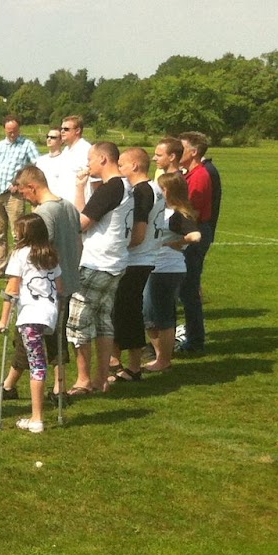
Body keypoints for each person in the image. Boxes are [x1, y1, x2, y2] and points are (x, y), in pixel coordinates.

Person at [0, 164, 82, 403]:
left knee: (27, 337)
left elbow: (35, 254)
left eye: (24, 192)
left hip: (42, 290)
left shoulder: (44, 214)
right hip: (65, 283)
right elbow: (78, 242)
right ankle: (58, 390)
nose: (23, 197)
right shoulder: (68, 206)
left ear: (33, 187)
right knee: (55, 338)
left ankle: (10, 387)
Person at [67, 141, 132, 396]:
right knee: (103, 321)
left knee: (78, 322)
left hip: (97, 262)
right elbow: (87, 214)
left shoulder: (111, 188)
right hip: (115, 261)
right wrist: (81, 187)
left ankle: (83, 381)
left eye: (91, 159)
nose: (88, 164)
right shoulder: (124, 186)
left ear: (104, 159)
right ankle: (102, 379)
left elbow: (80, 223)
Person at [0, 214, 63, 433]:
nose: (15, 234)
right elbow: (59, 289)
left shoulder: (20, 254)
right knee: (39, 362)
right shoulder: (51, 255)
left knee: (37, 365)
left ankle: (36, 419)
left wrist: (3, 321)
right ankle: (37, 416)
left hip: (30, 317)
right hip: (49, 315)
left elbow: (11, 290)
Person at [142, 172, 200, 373]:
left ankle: (164, 359)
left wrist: (176, 242)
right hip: (155, 268)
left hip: (167, 270)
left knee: (161, 316)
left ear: (168, 191)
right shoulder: (161, 211)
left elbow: (195, 235)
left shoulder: (177, 214)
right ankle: (160, 356)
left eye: (160, 189)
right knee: (149, 315)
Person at [111, 146, 159, 381]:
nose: (119, 169)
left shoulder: (141, 192)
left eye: (122, 165)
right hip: (146, 257)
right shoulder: (155, 188)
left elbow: (138, 234)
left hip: (137, 259)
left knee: (127, 312)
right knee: (124, 311)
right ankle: (118, 362)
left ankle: (132, 367)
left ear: (135, 166)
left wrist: (116, 245)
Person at [177, 130, 221, 356]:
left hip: (195, 233)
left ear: (193, 152)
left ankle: (195, 340)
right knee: (185, 288)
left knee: (189, 288)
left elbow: (190, 208)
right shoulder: (191, 173)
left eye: (181, 148)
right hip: (195, 231)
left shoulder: (200, 175)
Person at [0, 118, 41, 278]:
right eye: (9, 130)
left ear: (19, 129)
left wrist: (20, 184)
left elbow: (36, 165)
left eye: (14, 130)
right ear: (4, 129)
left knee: (17, 233)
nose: (12, 133)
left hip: (15, 195)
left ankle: (16, 271)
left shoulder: (27, 145)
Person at [44, 115, 93, 206]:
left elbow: (94, 180)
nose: (62, 131)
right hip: (63, 205)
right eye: (61, 128)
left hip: (78, 206)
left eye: (66, 129)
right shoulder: (66, 150)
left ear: (77, 131)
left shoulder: (86, 150)